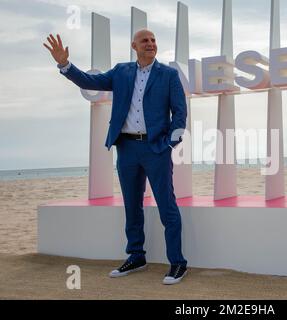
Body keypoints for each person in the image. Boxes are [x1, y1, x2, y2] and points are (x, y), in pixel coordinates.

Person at [43, 30, 188, 285]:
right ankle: (136, 256)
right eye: (145, 41)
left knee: (167, 207)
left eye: (154, 40)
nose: (151, 44)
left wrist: (169, 144)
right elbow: (90, 81)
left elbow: (180, 115)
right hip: (127, 148)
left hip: (156, 149)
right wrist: (64, 64)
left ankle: (177, 262)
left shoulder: (169, 75)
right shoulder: (121, 72)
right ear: (134, 46)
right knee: (132, 206)